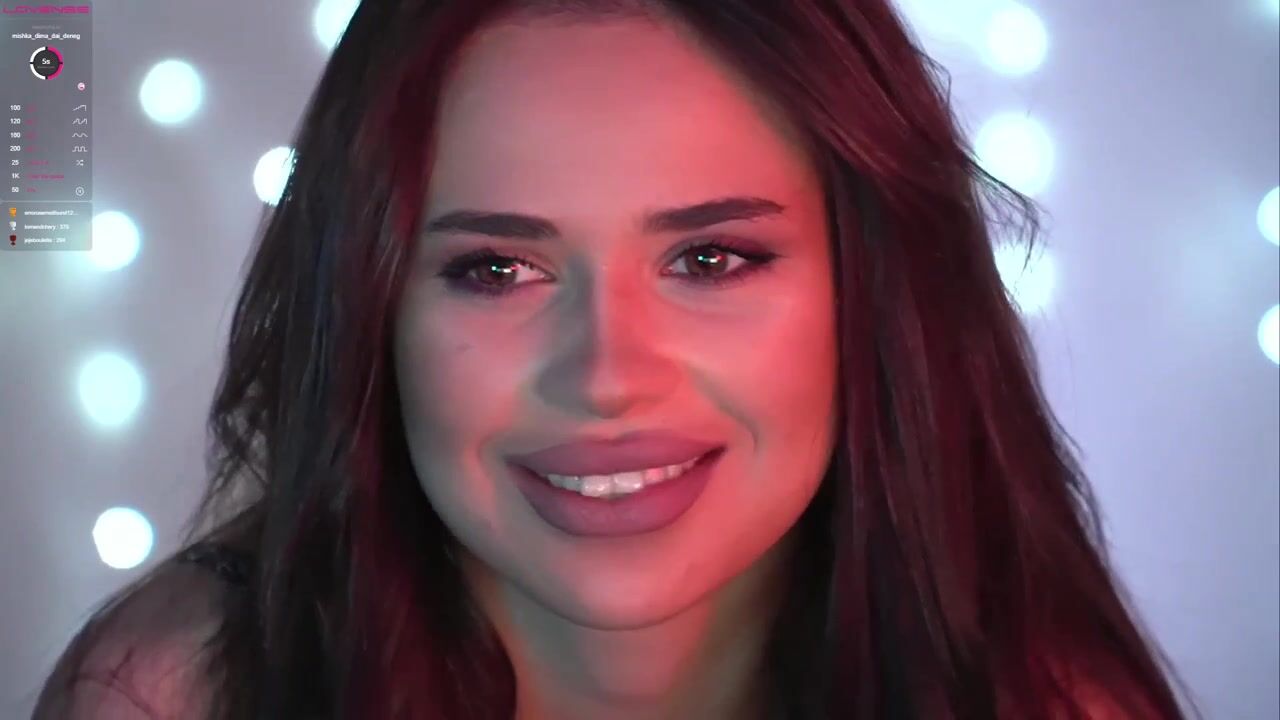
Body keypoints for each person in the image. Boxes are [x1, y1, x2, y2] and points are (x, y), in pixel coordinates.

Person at [33, 1, 1203, 718]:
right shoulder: (178, 698)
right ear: (370, 309)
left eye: (709, 259)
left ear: (874, 297)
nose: (603, 376)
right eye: (497, 268)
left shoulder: (1044, 702)